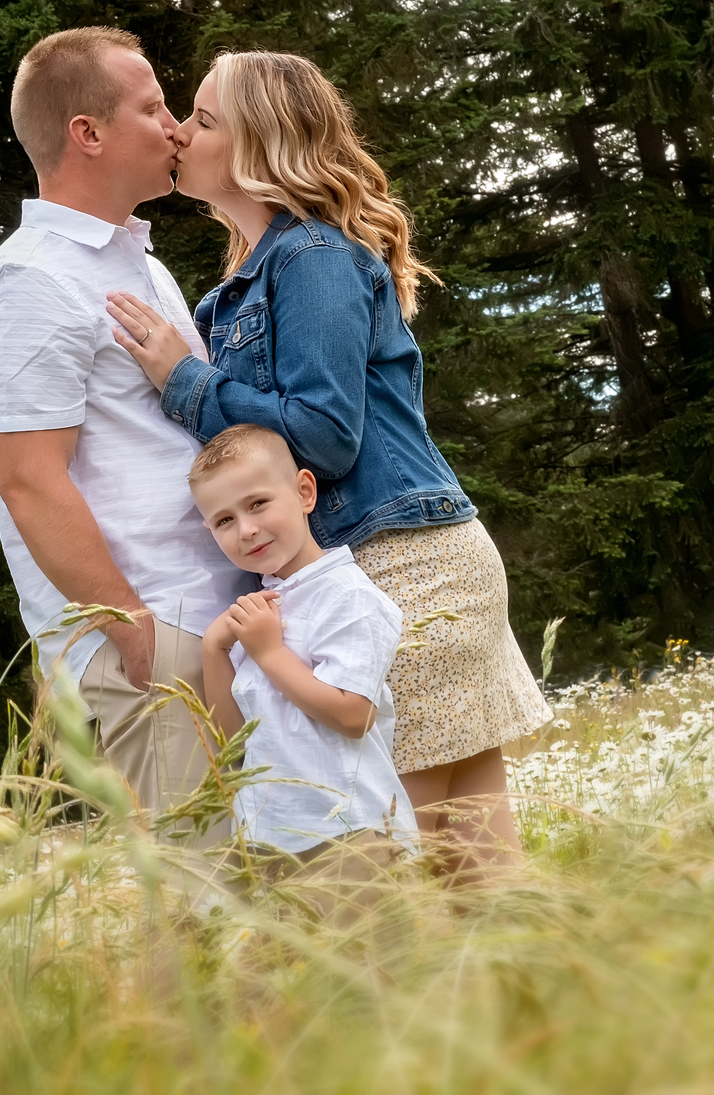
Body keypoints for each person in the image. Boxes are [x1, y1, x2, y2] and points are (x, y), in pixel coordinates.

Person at [105, 51, 552, 875]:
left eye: (203, 118)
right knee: (475, 864)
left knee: (382, 860)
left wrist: (184, 380)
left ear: (259, 145)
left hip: (399, 565)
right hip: (389, 562)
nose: (180, 131)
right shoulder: (236, 289)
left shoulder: (309, 255)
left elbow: (324, 435)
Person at [0, 27, 250, 845]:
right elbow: (29, 481)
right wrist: (131, 627)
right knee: (209, 883)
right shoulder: (29, 282)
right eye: (153, 108)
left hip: (216, 607)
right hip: (155, 627)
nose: (175, 128)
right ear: (87, 132)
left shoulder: (140, 265)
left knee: (281, 873)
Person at [191, 423, 417, 867]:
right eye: (224, 520)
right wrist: (214, 650)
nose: (246, 530)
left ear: (304, 492)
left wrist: (270, 654)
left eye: (257, 503)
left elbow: (353, 715)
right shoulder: (260, 607)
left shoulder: (347, 596)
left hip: (351, 832)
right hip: (268, 837)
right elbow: (235, 740)